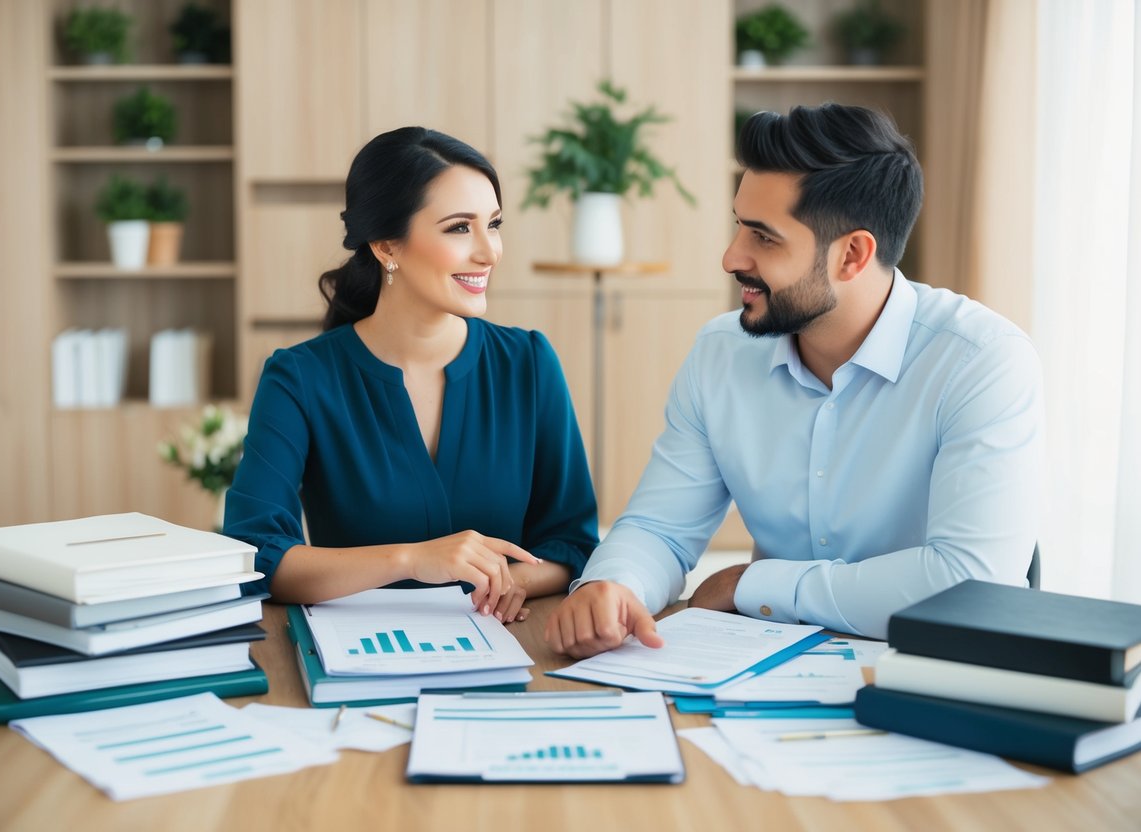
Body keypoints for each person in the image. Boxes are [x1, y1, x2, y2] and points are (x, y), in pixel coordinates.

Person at [545, 103, 1043, 655]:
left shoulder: (981, 361)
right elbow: (660, 528)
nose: (731, 257)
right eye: (739, 226)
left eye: (764, 237)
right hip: (760, 669)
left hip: (927, 676)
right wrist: (612, 585)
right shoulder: (721, 354)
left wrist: (755, 585)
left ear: (852, 254)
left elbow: (971, 584)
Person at [225, 127, 597, 623]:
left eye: (495, 223)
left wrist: (509, 581)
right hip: (359, 657)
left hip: (504, 640)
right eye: (460, 228)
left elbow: (572, 542)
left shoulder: (528, 362)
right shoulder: (298, 378)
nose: (489, 252)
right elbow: (256, 554)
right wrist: (413, 559)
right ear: (386, 246)